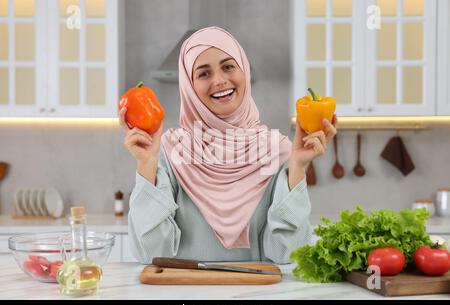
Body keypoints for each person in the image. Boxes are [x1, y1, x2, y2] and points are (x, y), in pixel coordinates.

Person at [119, 26, 337, 264]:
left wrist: (297, 168)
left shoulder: (278, 151)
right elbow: (151, 255)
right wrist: (147, 163)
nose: (220, 81)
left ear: (243, 70)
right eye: (203, 74)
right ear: (189, 87)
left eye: (228, 66)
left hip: (258, 299)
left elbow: (287, 255)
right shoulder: (171, 153)